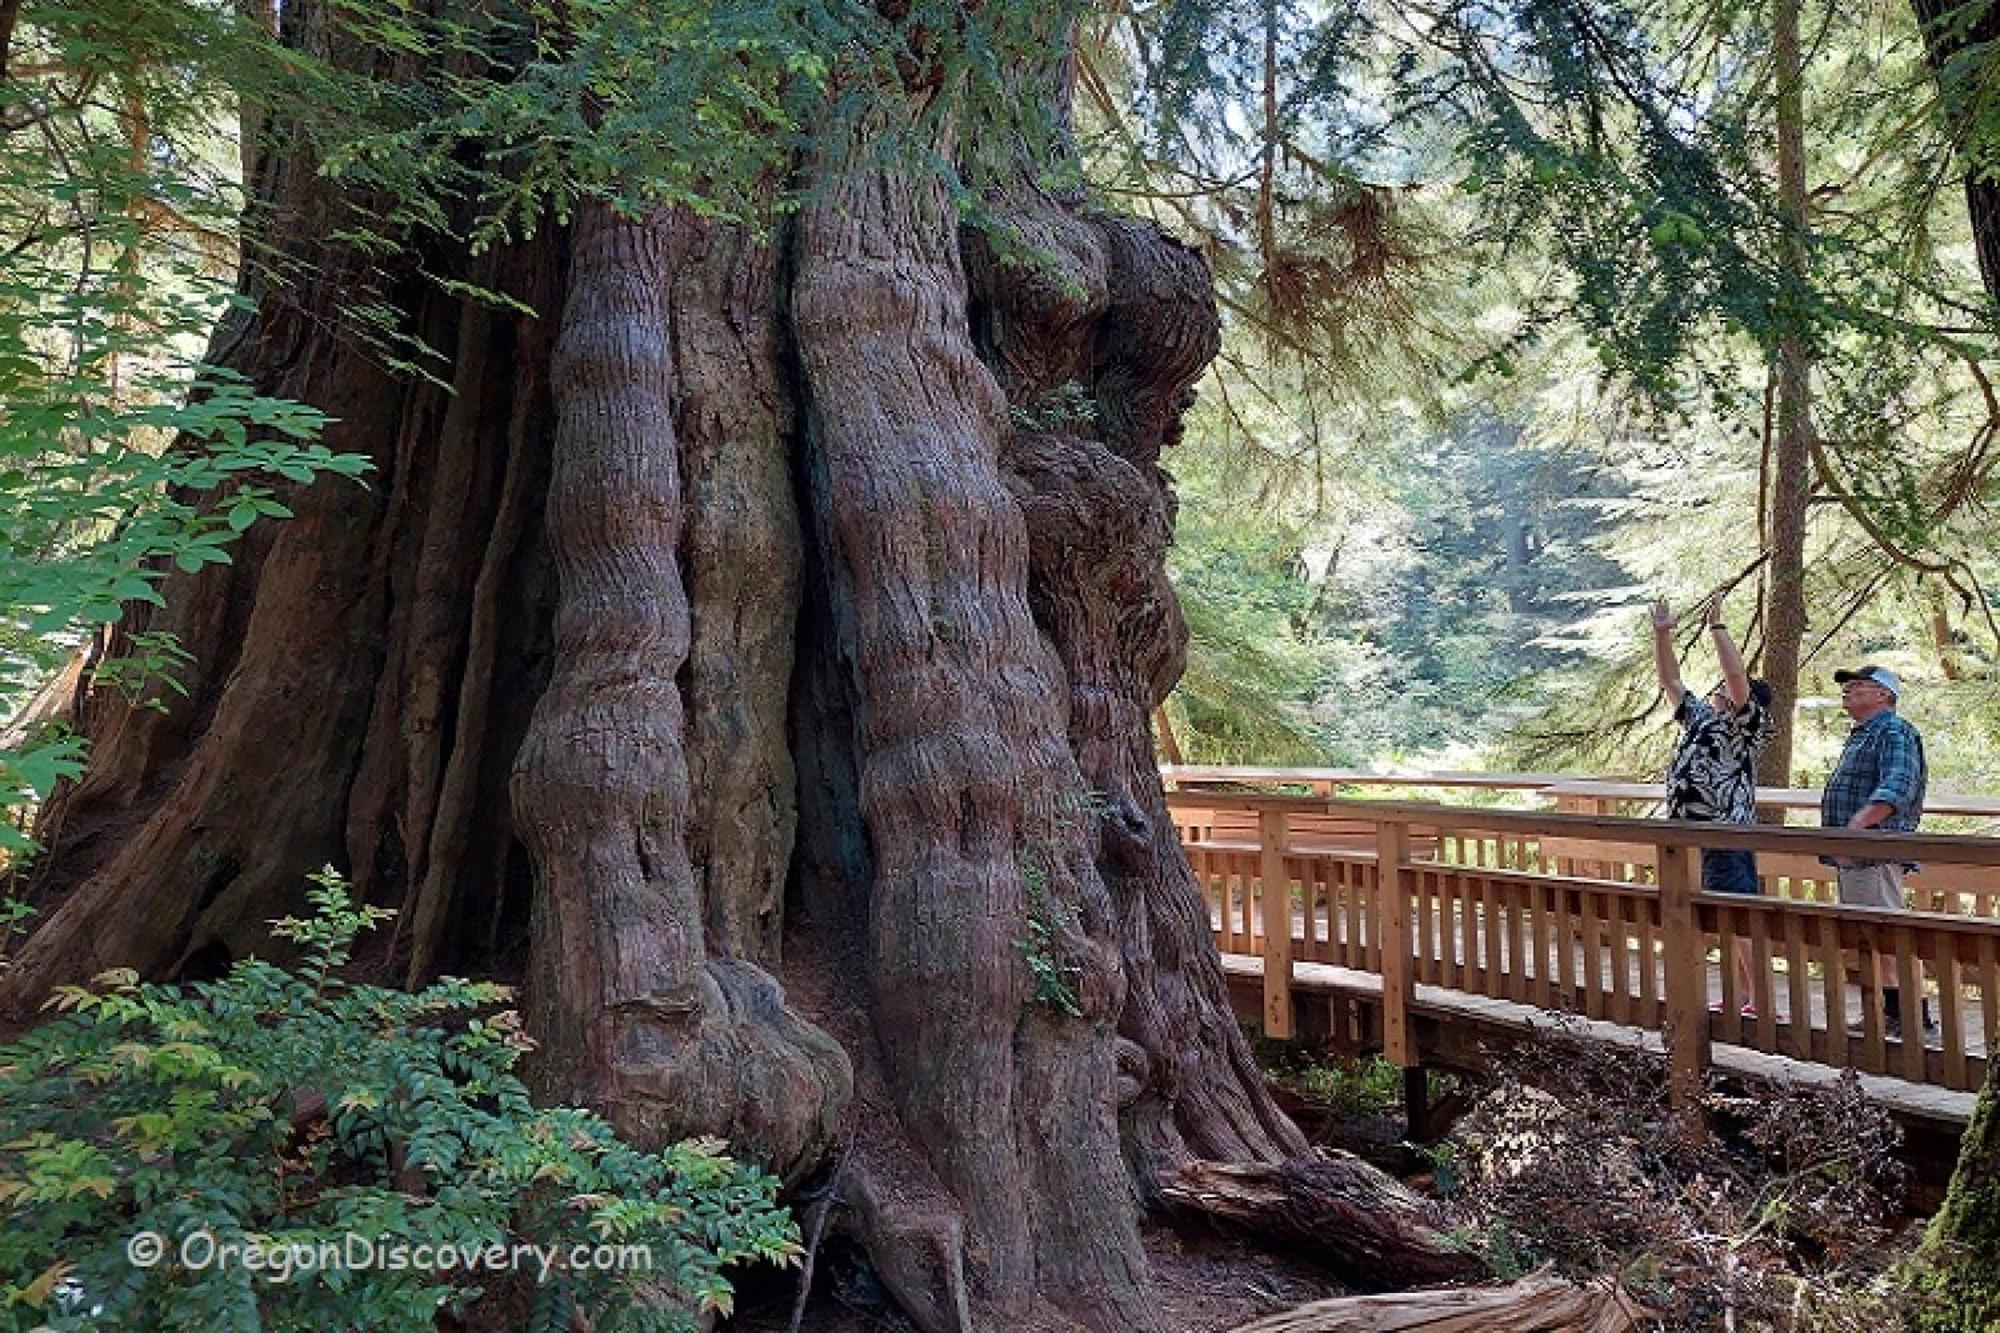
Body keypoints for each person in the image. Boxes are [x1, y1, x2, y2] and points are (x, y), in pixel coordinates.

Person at [1650, 595, 1776, 1012]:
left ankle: (1762, 1000)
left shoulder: (1746, 726)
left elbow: (1737, 674)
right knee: (1722, 917)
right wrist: (1662, 633)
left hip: (1726, 833)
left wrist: (1717, 628)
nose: (1721, 689)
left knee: (1737, 916)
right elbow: (1671, 682)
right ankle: (1744, 995)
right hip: (1691, 835)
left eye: (1729, 690)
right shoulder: (1703, 719)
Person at [1820, 663, 1930, 1038]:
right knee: (1873, 937)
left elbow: (1897, 785)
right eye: (1848, 686)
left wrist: (1856, 828)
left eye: (1859, 686)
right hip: (1856, 853)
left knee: (1889, 934)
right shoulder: (1865, 734)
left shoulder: (1894, 730)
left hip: (1875, 851)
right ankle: (1890, 1014)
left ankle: (1915, 1018)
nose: (1848, 690)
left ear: (1884, 695)